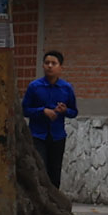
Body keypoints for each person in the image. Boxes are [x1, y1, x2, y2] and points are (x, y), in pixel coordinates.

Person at [19, 50, 78, 189]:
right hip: (37, 135)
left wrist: (64, 111)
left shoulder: (66, 88)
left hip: (57, 136)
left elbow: (74, 112)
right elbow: (25, 110)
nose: (50, 66)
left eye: (53, 63)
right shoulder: (34, 87)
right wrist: (42, 111)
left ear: (60, 67)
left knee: (55, 172)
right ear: (43, 66)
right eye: (47, 63)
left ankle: (54, 202)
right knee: (40, 170)